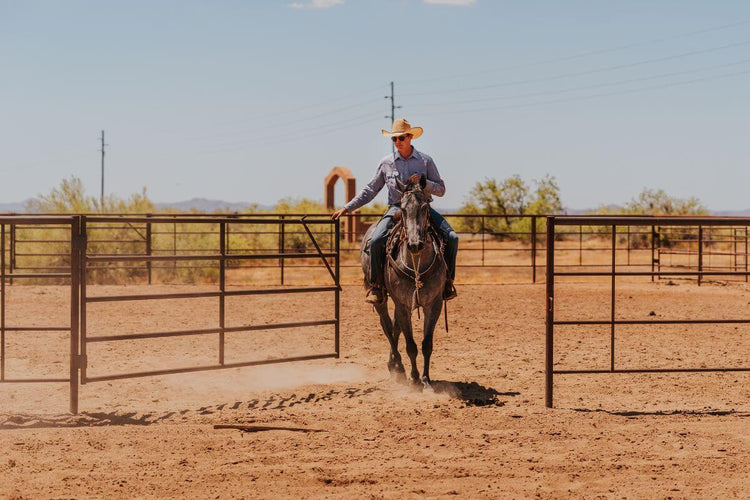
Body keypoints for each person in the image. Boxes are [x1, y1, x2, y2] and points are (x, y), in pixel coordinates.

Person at [331, 118, 458, 305]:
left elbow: (441, 189)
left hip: (422, 209)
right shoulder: (386, 163)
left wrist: (425, 183)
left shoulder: (425, 161)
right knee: (375, 240)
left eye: (401, 138)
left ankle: (447, 282)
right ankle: (376, 286)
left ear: (410, 137)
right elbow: (370, 190)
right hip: (397, 209)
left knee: (452, 237)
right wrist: (347, 208)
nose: (398, 142)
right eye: (394, 139)